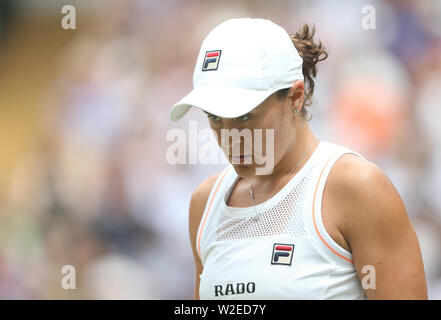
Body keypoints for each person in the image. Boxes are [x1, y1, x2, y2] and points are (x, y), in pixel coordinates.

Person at [169, 18, 427, 299]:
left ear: (295, 97)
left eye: (244, 117)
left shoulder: (358, 187)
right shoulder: (205, 203)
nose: (230, 137)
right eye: (215, 118)